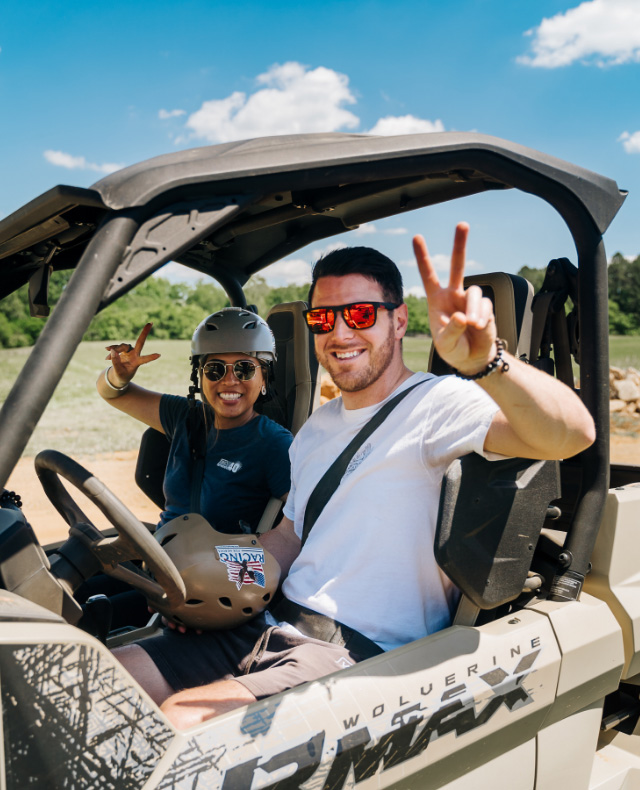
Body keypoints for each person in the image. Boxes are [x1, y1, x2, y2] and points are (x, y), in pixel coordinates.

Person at [119, 223, 595, 727]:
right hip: (269, 621)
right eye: (324, 318)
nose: (340, 333)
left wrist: (489, 363)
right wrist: (215, 596)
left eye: (361, 314)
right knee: (112, 678)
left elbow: (571, 435)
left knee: (183, 719)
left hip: (360, 652)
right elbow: (288, 537)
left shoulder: (438, 404)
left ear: (399, 321)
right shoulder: (314, 429)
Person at [87, 307, 292, 628]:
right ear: (199, 376)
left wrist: (218, 601)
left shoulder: (274, 443)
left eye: (244, 369)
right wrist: (119, 376)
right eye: (214, 369)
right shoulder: (185, 416)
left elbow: (300, 525)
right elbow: (112, 393)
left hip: (209, 584)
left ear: (265, 377)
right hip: (161, 561)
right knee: (71, 592)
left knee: (89, 618)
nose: (229, 380)